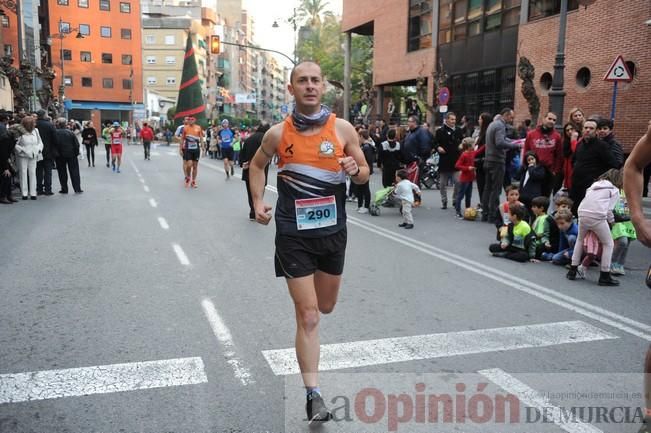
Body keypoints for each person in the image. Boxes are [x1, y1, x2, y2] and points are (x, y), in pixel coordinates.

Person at [248, 61, 369, 425]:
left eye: (316, 80)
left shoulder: (343, 129)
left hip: (332, 233)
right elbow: (256, 166)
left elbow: (364, 175)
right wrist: (257, 202)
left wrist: (354, 170)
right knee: (310, 315)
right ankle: (313, 394)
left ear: (324, 88)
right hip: (292, 234)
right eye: (303, 81)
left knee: (326, 306)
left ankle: (309, 333)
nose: (310, 86)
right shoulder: (276, 134)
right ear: (291, 89)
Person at [567, 169, 622, 286]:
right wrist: (612, 223)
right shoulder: (614, 190)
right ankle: (604, 275)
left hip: (582, 213)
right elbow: (609, 211)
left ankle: (572, 270)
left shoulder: (592, 186)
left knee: (580, 240)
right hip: (597, 216)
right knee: (608, 244)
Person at [481, 108, 523, 223]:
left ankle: (485, 212)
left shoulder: (492, 124)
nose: (511, 119)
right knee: (496, 189)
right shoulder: (500, 126)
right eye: (511, 117)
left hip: (488, 160)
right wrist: (515, 146)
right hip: (497, 161)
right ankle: (492, 214)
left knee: (487, 188)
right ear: (505, 115)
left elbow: (501, 139)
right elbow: (499, 142)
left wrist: (511, 141)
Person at [570, 119, 618, 213]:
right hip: (576, 185)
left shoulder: (602, 146)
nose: (588, 130)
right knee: (575, 212)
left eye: (591, 128)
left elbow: (614, 164)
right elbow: (574, 161)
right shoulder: (580, 144)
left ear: (596, 131)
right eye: (586, 128)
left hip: (592, 187)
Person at [523, 112, 563, 198]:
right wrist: (526, 166)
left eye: (554, 120)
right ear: (543, 119)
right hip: (534, 169)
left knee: (545, 197)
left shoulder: (557, 136)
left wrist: (555, 171)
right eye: (549, 119)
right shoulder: (531, 134)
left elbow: (559, 155)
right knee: (532, 196)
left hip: (548, 171)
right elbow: (526, 151)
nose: (552, 121)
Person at [240, 123, 270, 220]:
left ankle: (252, 210)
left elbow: (242, 153)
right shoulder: (266, 139)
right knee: (260, 190)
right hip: (262, 168)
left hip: (248, 168)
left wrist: (242, 163)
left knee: (250, 190)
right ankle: (258, 208)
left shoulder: (249, 139)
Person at [436, 112, 463, 210]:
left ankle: (455, 199)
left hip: (456, 160)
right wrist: (438, 147)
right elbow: (435, 143)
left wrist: (462, 145)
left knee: (458, 182)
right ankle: (444, 200)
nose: (453, 121)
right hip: (444, 161)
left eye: (454, 120)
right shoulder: (440, 131)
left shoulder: (459, 130)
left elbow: (463, 140)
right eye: (451, 119)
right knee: (442, 184)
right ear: (446, 119)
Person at [14, 116, 43, 200]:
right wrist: (22, 150)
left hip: (33, 154)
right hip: (23, 155)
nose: (35, 124)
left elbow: (40, 142)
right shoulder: (19, 132)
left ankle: (33, 193)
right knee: (23, 173)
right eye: (33, 122)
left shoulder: (36, 131)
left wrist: (39, 149)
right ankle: (24, 193)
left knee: (33, 173)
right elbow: (15, 144)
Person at [609, 188, 636, 275]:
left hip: (629, 219)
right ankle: (612, 262)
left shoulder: (632, 189)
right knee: (622, 242)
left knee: (627, 244)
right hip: (618, 219)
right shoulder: (615, 189)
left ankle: (620, 264)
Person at [54, 118, 83, 194]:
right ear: (65, 124)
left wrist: (56, 154)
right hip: (72, 155)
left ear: (58, 124)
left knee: (62, 172)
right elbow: (77, 144)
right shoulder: (70, 133)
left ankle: (64, 189)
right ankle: (77, 188)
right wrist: (76, 153)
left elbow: (54, 145)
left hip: (60, 156)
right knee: (74, 172)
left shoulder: (55, 133)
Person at [35, 109, 58, 195]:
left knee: (38, 171)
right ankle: (48, 189)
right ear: (44, 115)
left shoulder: (34, 125)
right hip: (49, 151)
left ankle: (39, 189)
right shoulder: (50, 125)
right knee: (48, 171)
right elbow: (55, 138)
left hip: (37, 151)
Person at [530, 196, 559, 260]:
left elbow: (540, 234)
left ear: (541, 208)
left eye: (534, 207)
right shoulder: (539, 217)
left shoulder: (543, 219)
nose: (532, 208)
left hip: (545, 244)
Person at [454, 137, 476, 219]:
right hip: (464, 178)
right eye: (474, 144)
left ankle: (468, 210)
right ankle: (458, 211)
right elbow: (457, 165)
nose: (475, 145)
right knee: (460, 195)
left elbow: (479, 151)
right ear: (469, 146)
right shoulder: (464, 154)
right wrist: (468, 168)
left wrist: (485, 146)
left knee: (468, 195)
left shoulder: (472, 152)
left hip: (470, 178)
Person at [179, 116, 204, 188]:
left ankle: (193, 181)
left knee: (195, 166)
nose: (190, 121)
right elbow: (182, 139)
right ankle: (188, 176)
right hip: (188, 149)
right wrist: (180, 149)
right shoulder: (185, 128)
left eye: (192, 119)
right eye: (189, 119)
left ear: (195, 120)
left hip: (196, 149)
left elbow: (201, 139)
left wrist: (203, 148)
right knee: (189, 164)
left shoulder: (198, 127)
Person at [357, 129, 375, 213]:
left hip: (365, 170)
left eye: (358, 136)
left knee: (365, 188)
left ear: (361, 136)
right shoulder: (364, 146)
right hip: (361, 169)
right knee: (360, 187)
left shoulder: (367, 147)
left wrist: (367, 170)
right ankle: (360, 205)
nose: (357, 138)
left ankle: (366, 206)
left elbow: (369, 160)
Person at [562, 123, 579, 191]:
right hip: (567, 170)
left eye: (571, 129)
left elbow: (576, 151)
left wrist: (573, 141)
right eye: (567, 130)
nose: (569, 131)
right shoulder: (565, 142)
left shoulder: (580, 140)